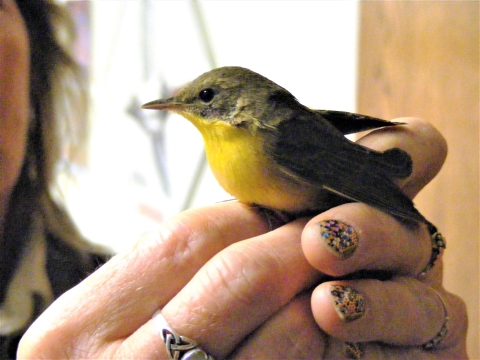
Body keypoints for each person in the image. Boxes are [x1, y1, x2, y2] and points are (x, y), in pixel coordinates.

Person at [0, 0, 468, 358]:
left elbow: (341, 166)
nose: (186, 107)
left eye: (203, 98)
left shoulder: (274, 135)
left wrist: (407, 231)